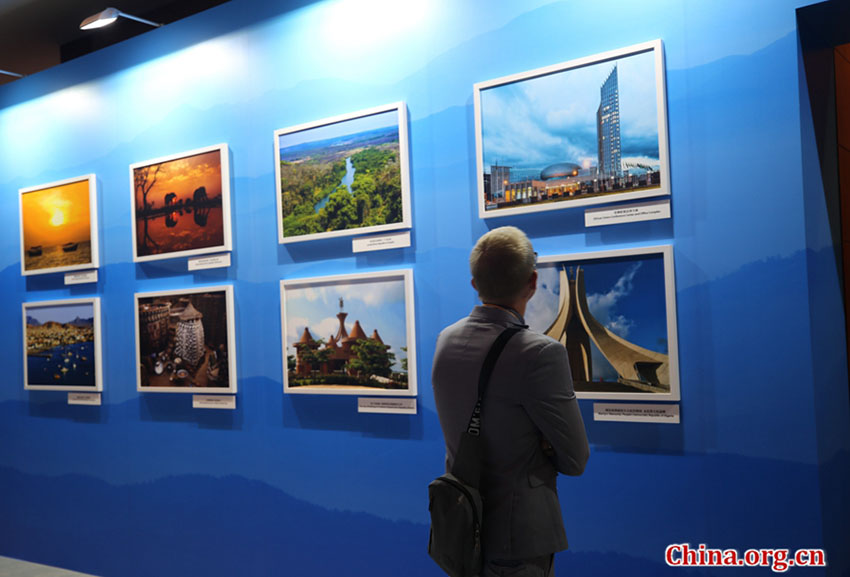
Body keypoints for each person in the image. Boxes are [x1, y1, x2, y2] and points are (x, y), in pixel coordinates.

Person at [432, 226, 590, 577]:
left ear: (475, 283)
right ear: (532, 282)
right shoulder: (540, 353)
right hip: (518, 541)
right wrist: (540, 443)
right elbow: (575, 459)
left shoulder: (445, 340)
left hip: (461, 527)